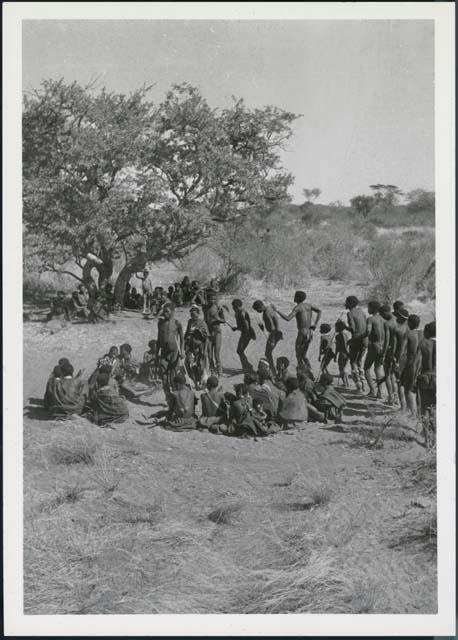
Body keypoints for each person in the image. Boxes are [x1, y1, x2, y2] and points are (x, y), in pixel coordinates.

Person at [272, 291, 321, 370]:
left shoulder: (297, 308)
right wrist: (315, 324)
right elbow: (319, 311)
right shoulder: (308, 305)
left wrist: (277, 310)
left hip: (302, 333)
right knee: (304, 355)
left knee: (298, 355)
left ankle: (301, 371)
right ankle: (310, 370)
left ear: (297, 298)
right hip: (310, 332)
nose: (293, 297)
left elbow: (288, 318)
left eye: (295, 296)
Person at [414, 321, 436, 445]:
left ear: (428, 332)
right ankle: (436, 439)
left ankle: (427, 439)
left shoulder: (423, 344)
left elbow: (416, 364)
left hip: (425, 378)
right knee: (435, 408)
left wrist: (412, 380)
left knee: (425, 409)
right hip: (439, 379)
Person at [156, 302, 184, 396]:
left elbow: (182, 339)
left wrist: (182, 351)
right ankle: (168, 396)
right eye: (164, 312)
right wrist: (156, 353)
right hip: (164, 352)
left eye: (167, 312)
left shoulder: (177, 323)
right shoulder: (161, 323)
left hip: (174, 352)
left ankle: (176, 396)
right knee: (163, 375)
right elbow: (159, 338)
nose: (165, 313)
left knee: (173, 375)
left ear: (173, 312)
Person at [399, 314, 422, 418]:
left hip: (410, 363)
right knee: (413, 388)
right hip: (419, 363)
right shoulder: (421, 334)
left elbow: (402, 350)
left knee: (407, 389)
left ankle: (413, 413)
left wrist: (397, 362)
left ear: (409, 323)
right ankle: (412, 410)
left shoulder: (408, 334)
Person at [252, 300, 283, 375]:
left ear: (261, 307)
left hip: (274, 334)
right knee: (269, 353)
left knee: (268, 353)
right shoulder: (269, 308)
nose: (257, 311)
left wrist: (271, 339)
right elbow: (275, 321)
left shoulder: (266, 314)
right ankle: (275, 370)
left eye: (257, 310)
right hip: (278, 333)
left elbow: (272, 328)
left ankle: (273, 371)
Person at [344, 295, 368, 392]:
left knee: (353, 362)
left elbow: (353, 329)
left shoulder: (350, 313)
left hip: (357, 338)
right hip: (365, 339)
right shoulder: (361, 311)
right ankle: (363, 384)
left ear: (349, 303)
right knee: (359, 361)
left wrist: (344, 326)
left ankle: (358, 386)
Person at [364, 301, 386, 399]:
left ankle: (372, 390)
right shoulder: (383, 319)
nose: (368, 310)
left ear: (373, 309)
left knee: (366, 368)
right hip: (382, 346)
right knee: (378, 369)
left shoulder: (370, 319)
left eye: (369, 307)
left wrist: (359, 337)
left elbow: (368, 331)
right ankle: (380, 393)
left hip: (373, 345)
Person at [184, 306, 209, 389]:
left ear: (198, 314)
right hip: (190, 346)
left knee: (200, 365)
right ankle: (195, 380)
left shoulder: (202, 322)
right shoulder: (189, 322)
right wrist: (184, 344)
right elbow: (187, 333)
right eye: (191, 314)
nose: (193, 316)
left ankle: (201, 382)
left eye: (194, 314)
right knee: (189, 363)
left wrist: (205, 350)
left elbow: (206, 337)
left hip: (200, 347)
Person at [392, 307, 409, 412]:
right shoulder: (411, 328)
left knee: (399, 382)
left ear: (399, 318)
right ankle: (410, 408)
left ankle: (403, 407)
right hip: (411, 358)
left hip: (400, 357)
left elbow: (395, 346)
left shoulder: (397, 329)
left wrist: (395, 358)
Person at [231, 299, 255, 373]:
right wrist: (237, 328)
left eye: (235, 307)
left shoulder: (242, 313)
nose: (234, 309)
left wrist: (237, 328)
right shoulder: (238, 313)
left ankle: (246, 367)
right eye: (233, 307)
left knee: (240, 350)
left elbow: (246, 327)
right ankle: (247, 366)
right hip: (246, 333)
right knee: (240, 351)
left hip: (247, 333)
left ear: (239, 306)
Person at [204, 292, 226, 375]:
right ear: (207, 299)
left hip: (217, 332)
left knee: (216, 353)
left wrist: (220, 316)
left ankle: (219, 370)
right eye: (210, 299)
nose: (212, 300)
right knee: (209, 354)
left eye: (214, 299)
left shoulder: (217, 308)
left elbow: (223, 320)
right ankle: (212, 369)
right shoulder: (204, 308)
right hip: (208, 333)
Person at [380, 304, 397, 404]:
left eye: (382, 314)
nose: (382, 317)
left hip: (390, 351)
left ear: (386, 312)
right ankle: (396, 397)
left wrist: (383, 354)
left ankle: (391, 398)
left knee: (387, 376)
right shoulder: (397, 319)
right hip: (399, 352)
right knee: (393, 376)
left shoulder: (387, 323)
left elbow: (386, 341)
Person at [334, 319, 351, 387]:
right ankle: (347, 383)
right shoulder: (346, 334)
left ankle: (345, 383)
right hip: (347, 353)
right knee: (344, 368)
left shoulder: (338, 336)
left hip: (342, 353)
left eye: (336, 327)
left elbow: (337, 347)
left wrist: (335, 355)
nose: (335, 328)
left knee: (341, 368)